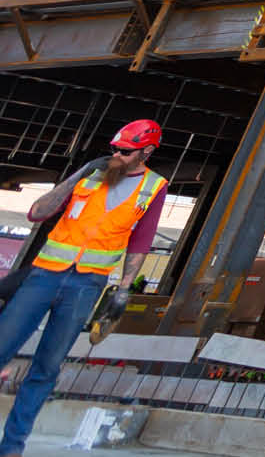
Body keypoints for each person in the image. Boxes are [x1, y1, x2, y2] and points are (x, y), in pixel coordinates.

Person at [0, 120, 166, 457]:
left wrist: (122, 290)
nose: (116, 155)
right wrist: (77, 175)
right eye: (114, 149)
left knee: (47, 367)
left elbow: (141, 242)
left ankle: (12, 447)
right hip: (44, 276)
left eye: (125, 151)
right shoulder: (91, 176)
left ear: (146, 152)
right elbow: (37, 212)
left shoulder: (154, 186)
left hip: (86, 285)